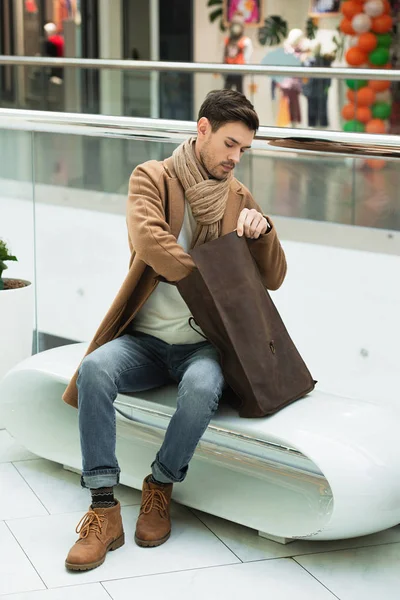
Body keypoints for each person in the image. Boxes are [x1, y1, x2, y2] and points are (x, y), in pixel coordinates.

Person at [63, 89, 287, 572]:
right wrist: (212, 276)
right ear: (202, 128)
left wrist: (262, 231)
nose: (235, 158)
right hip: (144, 340)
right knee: (96, 369)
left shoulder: (238, 197)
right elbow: (149, 239)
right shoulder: (153, 178)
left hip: (202, 346)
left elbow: (273, 278)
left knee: (204, 385)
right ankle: (103, 508)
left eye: (243, 150)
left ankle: (160, 485)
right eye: (229, 144)